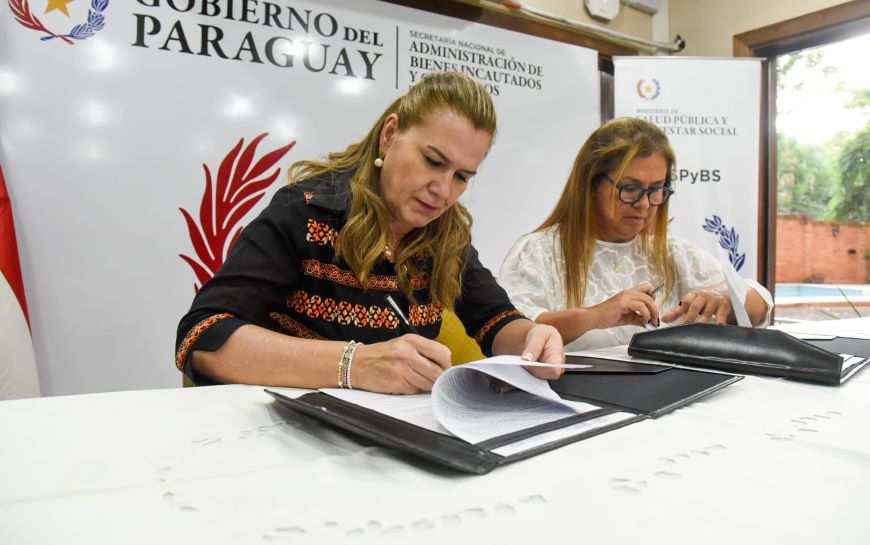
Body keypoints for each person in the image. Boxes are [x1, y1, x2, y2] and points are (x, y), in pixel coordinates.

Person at [175, 71, 564, 393]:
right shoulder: (307, 211)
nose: (444, 191)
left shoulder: (445, 235)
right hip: (284, 430)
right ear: (390, 134)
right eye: (433, 161)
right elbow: (202, 336)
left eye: (462, 176)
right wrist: (354, 364)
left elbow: (494, 319)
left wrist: (532, 338)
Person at [498, 117, 773, 352]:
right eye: (629, 188)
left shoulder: (673, 253)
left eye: (656, 190)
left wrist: (726, 293)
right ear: (591, 183)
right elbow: (508, 337)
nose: (644, 204)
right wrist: (593, 316)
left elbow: (761, 306)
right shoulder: (538, 252)